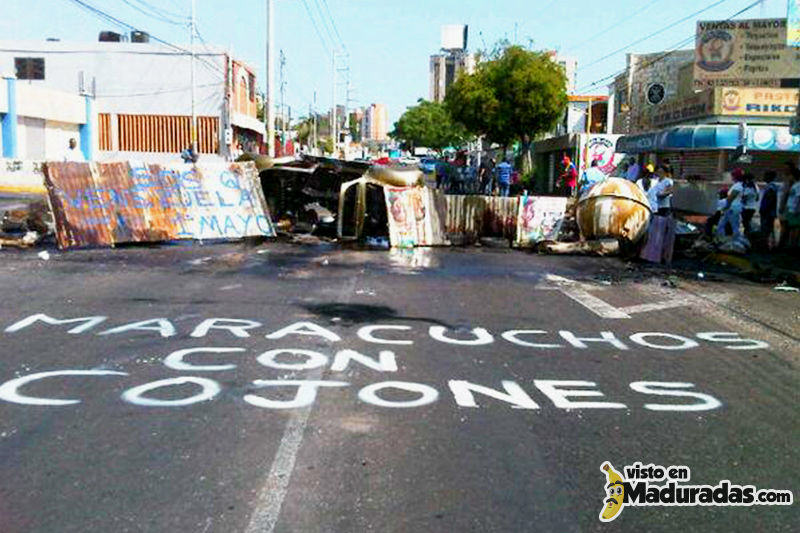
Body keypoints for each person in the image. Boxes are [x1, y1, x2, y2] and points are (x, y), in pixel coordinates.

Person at [717, 169, 744, 240]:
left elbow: (730, 198)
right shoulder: (738, 185)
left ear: (735, 176)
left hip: (732, 208)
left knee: (734, 226)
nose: (731, 177)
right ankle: (722, 239)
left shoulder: (738, 186)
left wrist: (725, 207)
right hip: (732, 208)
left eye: (732, 175)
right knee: (721, 225)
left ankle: (737, 240)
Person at [778, 164, 800, 249]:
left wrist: (796, 209)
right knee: (791, 227)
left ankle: (793, 245)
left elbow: (798, 198)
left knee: (795, 227)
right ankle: (791, 244)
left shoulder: (798, 185)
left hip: (794, 209)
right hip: (790, 208)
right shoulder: (795, 185)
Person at [759, 170, 781, 245]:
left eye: (765, 176)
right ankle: (770, 243)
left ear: (769, 177)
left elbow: (769, 200)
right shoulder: (771, 186)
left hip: (768, 213)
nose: (763, 177)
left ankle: (766, 244)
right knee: (769, 229)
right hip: (770, 212)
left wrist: (764, 209)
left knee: (766, 229)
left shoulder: (771, 187)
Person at [740, 172, 759, 236]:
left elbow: (744, 198)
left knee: (746, 224)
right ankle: (748, 235)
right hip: (753, 207)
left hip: (746, 208)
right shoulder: (756, 187)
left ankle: (747, 235)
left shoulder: (747, 187)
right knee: (748, 223)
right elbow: (757, 198)